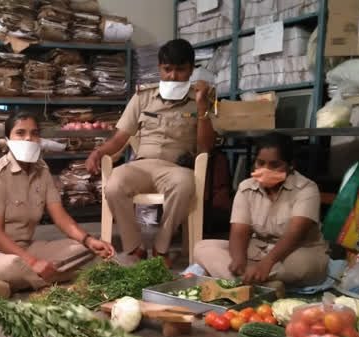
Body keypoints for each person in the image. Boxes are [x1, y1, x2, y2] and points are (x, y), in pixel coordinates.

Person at [85, 39, 216, 268]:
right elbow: (120, 138)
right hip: (142, 165)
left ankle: (161, 247)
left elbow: (205, 148)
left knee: (185, 184)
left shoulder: (201, 99)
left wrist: (202, 106)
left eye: (180, 69)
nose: (173, 76)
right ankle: (135, 248)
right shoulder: (143, 97)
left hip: (175, 168)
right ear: (160, 69)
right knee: (114, 185)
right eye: (168, 69)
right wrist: (98, 152)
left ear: (191, 69)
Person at [0, 112, 115, 291]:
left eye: (34, 133)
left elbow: (61, 217)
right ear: (7, 139)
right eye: (20, 133)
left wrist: (88, 240)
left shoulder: (42, 170)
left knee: (84, 250)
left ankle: (25, 280)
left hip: (26, 248)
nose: (28, 138)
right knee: (12, 267)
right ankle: (52, 276)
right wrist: (32, 262)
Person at [193, 132, 329, 286]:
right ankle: (260, 283)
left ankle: (244, 282)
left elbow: (295, 234)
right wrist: (238, 259)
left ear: (291, 165)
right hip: (258, 249)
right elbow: (239, 231)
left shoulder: (307, 189)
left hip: (296, 251)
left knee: (303, 265)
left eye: (275, 165)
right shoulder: (246, 187)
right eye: (260, 163)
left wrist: (266, 264)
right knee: (202, 248)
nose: (266, 169)